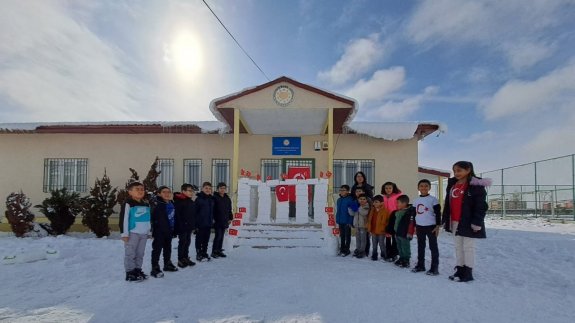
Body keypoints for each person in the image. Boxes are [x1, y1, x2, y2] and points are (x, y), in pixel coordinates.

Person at [442, 161, 490, 282]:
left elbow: (481, 206)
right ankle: (460, 269)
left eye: (459, 170)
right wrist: (444, 219)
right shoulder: (453, 184)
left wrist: (477, 222)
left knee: (468, 247)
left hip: (468, 221)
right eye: (454, 171)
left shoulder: (476, 185)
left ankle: (468, 272)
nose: (456, 173)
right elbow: (448, 203)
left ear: (468, 170)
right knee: (458, 247)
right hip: (454, 221)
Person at [119, 181, 151, 282]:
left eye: (142, 189)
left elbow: (147, 218)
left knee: (140, 253)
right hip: (132, 233)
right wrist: (124, 233)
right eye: (137, 189)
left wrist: (149, 231)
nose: (140, 191)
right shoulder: (128, 204)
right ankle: (130, 272)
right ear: (130, 192)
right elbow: (124, 219)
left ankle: (137, 270)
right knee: (130, 253)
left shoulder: (145, 204)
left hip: (143, 233)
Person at [412, 179, 441, 275]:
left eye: (426, 186)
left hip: (431, 226)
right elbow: (414, 214)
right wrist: (414, 226)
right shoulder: (416, 200)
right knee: (420, 246)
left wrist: (438, 226)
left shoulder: (433, 199)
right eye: (421, 186)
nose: (423, 187)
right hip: (420, 226)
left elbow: (438, 213)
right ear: (418, 188)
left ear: (429, 187)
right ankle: (420, 265)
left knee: (433, 247)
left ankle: (434, 268)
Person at [150, 186, 178, 278]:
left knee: (168, 248)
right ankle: (155, 267)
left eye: (169, 192)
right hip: (159, 231)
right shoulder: (157, 204)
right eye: (164, 192)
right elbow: (152, 218)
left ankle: (167, 264)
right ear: (159, 194)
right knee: (157, 249)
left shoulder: (171, 203)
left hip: (169, 230)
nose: (167, 194)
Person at [386, 195, 415, 268]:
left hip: (404, 233)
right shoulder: (397, 212)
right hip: (397, 233)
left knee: (405, 247)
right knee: (399, 246)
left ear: (404, 203)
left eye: (398, 203)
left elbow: (411, 223)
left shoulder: (409, 212)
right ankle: (401, 258)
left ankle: (406, 259)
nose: (396, 204)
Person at [174, 183, 197, 268]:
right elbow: (177, 215)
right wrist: (180, 226)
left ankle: (185, 257)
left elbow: (192, 215)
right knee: (182, 242)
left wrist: (193, 225)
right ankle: (180, 259)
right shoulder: (178, 201)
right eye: (189, 191)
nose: (191, 192)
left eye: (192, 191)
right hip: (182, 227)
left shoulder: (190, 201)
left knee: (187, 242)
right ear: (183, 191)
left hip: (189, 226)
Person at [382, 182, 402, 262]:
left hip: (395, 218)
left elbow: (400, 206)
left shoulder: (398, 196)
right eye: (386, 188)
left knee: (394, 237)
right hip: (386, 218)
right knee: (387, 236)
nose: (388, 190)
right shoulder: (383, 197)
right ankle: (388, 253)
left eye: (390, 188)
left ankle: (394, 254)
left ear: (393, 188)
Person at [195, 182, 215, 262]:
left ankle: (204, 252)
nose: (208, 190)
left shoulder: (211, 199)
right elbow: (195, 212)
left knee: (206, 240)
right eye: (206, 188)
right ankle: (199, 253)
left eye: (209, 188)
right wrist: (195, 224)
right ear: (202, 188)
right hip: (200, 223)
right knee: (199, 239)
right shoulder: (198, 199)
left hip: (208, 223)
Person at [366, 195, 390, 261]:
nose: (374, 203)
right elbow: (369, 219)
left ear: (382, 203)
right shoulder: (372, 210)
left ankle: (384, 255)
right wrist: (368, 227)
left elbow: (388, 221)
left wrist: (385, 228)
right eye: (373, 202)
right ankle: (374, 255)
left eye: (376, 202)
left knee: (381, 244)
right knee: (374, 244)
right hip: (373, 230)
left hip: (381, 231)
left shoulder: (385, 211)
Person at [212, 182, 233, 258]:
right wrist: (213, 218)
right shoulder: (214, 198)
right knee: (218, 236)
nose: (223, 190)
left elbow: (229, 209)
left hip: (224, 220)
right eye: (221, 188)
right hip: (217, 220)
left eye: (224, 188)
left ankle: (219, 250)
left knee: (222, 236)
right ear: (218, 189)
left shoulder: (227, 198)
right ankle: (214, 251)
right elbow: (212, 209)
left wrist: (230, 218)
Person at [349, 193, 370, 258]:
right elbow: (352, 214)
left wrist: (358, 208)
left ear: (366, 200)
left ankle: (362, 251)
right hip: (357, 225)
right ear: (358, 200)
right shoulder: (358, 206)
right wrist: (350, 208)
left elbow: (364, 213)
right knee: (357, 238)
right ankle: (358, 249)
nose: (362, 200)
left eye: (364, 199)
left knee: (363, 239)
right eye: (360, 199)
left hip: (363, 226)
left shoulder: (366, 206)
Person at [335, 185, 354, 256]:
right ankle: (342, 249)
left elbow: (353, 211)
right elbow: (338, 210)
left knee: (347, 236)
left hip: (347, 221)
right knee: (342, 235)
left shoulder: (350, 199)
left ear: (347, 191)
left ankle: (347, 249)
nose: (342, 191)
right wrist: (337, 219)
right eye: (341, 190)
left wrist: (350, 221)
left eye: (343, 190)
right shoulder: (339, 200)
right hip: (340, 221)